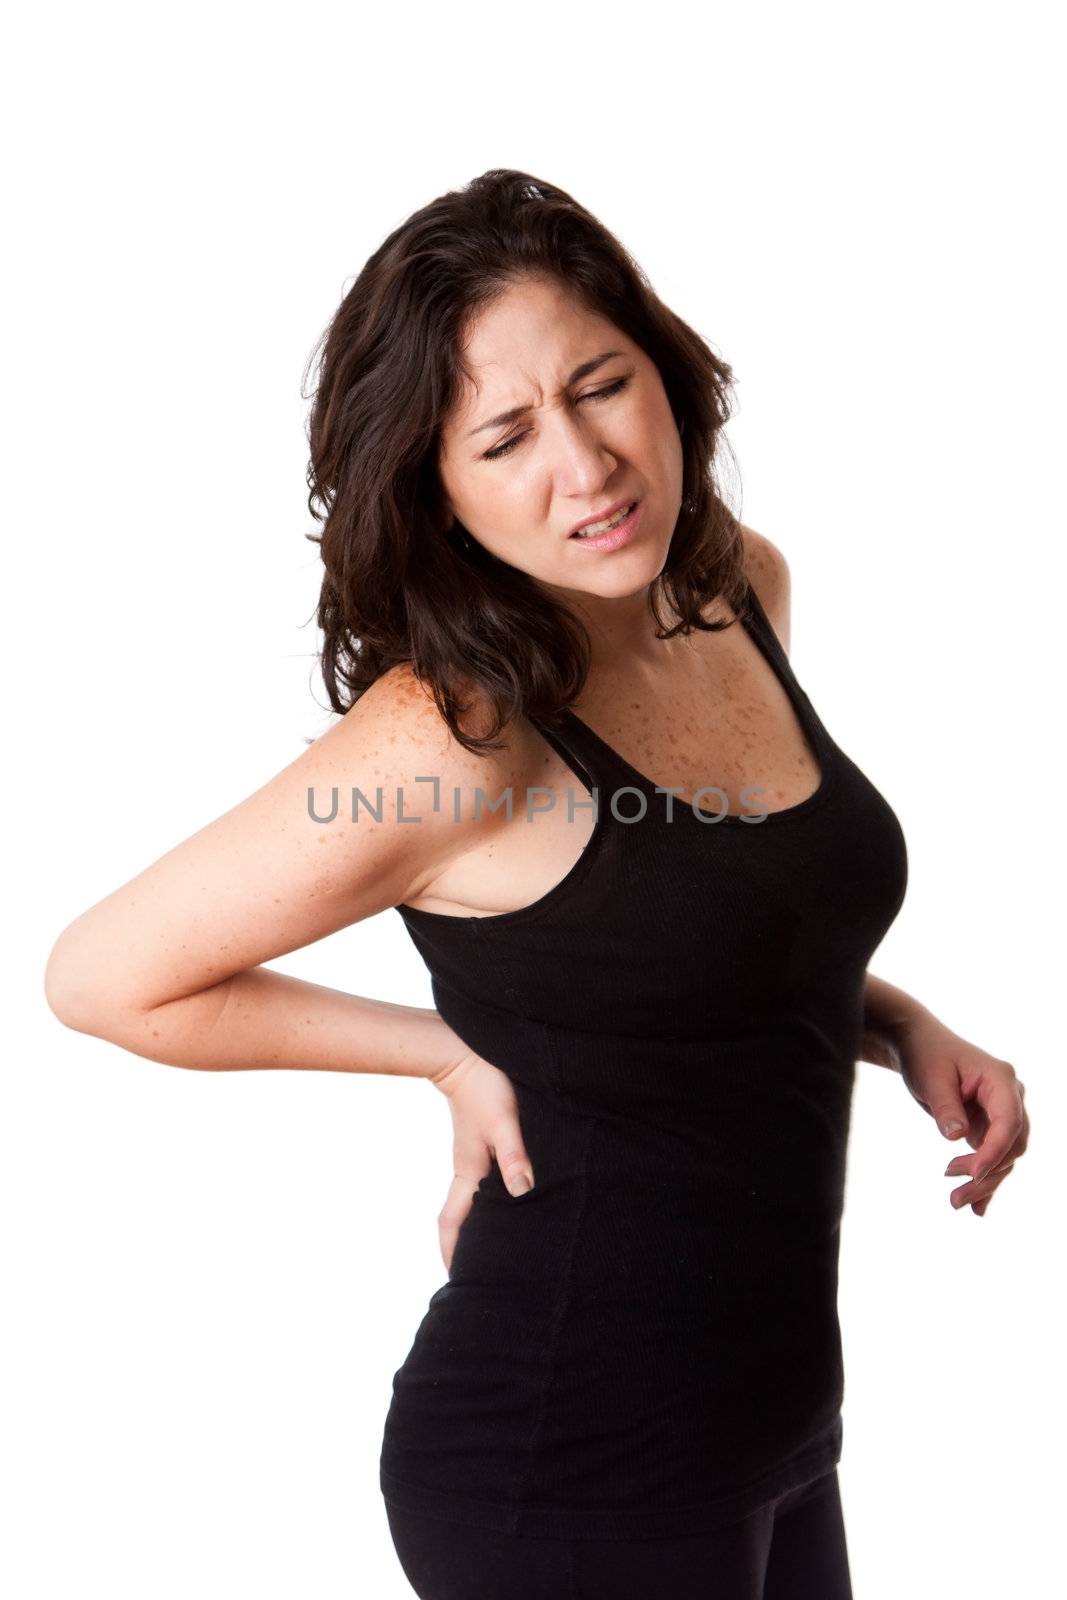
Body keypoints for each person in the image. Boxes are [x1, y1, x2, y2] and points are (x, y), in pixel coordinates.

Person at [44, 169, 1029, 1600]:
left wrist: (899, 1021)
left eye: (603, 385)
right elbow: (103, 977)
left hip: (779, 1434)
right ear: (434, 491)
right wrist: (441, 1055)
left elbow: (716, 927)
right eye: (505, 437)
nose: (589, 466)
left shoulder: (738, 587)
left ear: (668, 374)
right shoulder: (450, 734)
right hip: (565, 1468)